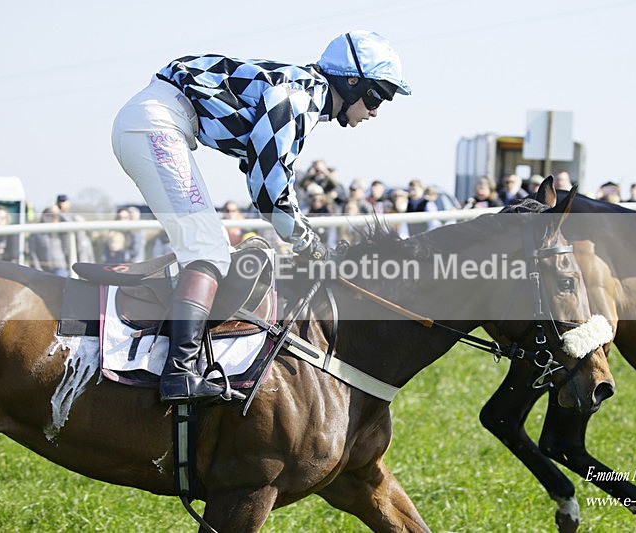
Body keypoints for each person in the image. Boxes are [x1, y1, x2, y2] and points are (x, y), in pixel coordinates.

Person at [111, 30, 411, 402]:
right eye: (377, 96)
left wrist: (304, 238)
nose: (375, 111)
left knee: (214, 249)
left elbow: (265, 179)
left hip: (154, 120)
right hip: (155, 123)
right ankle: (179, 373)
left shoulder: (302, 94)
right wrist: (311, 246)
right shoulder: (298, 97)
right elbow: (269, 194)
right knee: (207, 250)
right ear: (351, 82)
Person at [29, 206, 69, 277]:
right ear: (42, 216)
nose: (50, 217)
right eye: (47, 215)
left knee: (60, 279)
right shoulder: (35, 233)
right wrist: (38, 270)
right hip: (43, 269)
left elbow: (69, 222)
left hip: (59, 267)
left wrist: (59, 212)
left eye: (53, 215)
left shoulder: (61, 231)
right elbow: (33, 253)